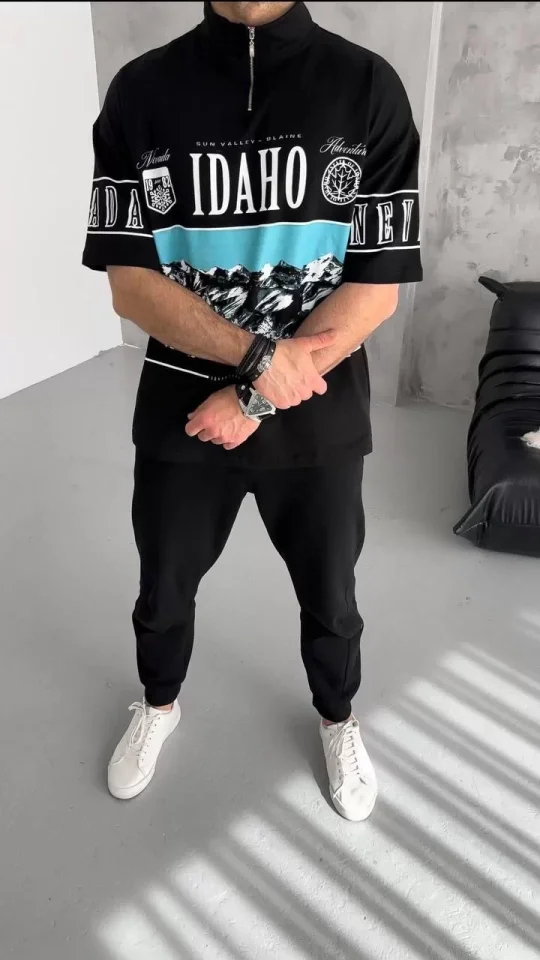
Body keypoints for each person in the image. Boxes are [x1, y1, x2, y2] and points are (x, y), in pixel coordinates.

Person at [83, 0, 422, 820]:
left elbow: (375, 287)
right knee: (163, 585)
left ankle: (338, 717)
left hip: (318, 406)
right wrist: (260, 360)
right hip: (181, 404)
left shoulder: (366, 86)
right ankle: (158, 703)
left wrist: (250, 394)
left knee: (332, 593)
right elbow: (130, 282)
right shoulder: (140, 91)